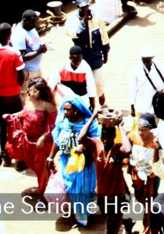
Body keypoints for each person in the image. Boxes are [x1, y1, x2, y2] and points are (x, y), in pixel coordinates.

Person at [48, 95, 99, 228]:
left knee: (81, 188)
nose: (65, 112)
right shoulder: (62, 122)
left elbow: (97, 140)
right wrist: (50, 157)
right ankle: (77, 213)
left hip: (84, 163)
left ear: (76, 110)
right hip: (67, 161)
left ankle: (82, 219)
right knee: (71, 187)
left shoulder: (88, 123)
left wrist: (84, 146)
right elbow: (57, 140)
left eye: (68, 110)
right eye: (64, 109)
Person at [4, 76, 56, 199]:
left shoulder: (47, 105)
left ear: (42, 92)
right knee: (36, 167)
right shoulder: (27, 100)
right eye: (30, 90)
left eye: (35, 91)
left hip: (42, 143)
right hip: (28, 141)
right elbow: (25, 113)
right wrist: (13, 116)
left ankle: (43, 197)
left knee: (41, 170)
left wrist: (43, 138)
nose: (31, 93)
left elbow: (52, 126)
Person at [0, 22, 25, 165]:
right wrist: (17, 87)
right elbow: (21, 75)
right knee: (18, 124)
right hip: (13, 94)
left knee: (2, 124)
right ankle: (20, 159)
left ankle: (5, 156)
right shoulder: (14, 52)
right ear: (10, 35)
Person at [69, 0, 110, 105]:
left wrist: (106, 51)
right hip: (81, 56)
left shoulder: (97, 17)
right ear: (77, 6)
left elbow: (103, 35)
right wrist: (83, 23)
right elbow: (74, 34)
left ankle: (101, 94)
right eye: (82, 7)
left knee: (98, 81)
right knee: (83, 82)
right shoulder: (72, 19)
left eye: (86, 6)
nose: (85, 9)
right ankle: (88, 104)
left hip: (95, 54)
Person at [94, 126, 134, 234]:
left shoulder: (118, 148)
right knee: (109, 219)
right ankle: (126, 222)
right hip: (102, 194)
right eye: (104, 137)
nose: (106, 140)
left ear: (114, 137)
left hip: (116, 196)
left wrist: (120, 127)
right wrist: (93, 116)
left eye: (109, 137)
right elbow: (80, 138)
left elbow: (128, 150)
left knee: (111, 229)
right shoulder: (97, 145)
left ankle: (124, 222)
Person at [130, 113, 160, 232]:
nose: (141, 132)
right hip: (137, 177)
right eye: (139, 130)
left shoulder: (156, 140)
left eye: (144, 130)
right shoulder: (133, 137)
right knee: (140, 197)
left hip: (152, 177)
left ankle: (149, 227)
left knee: (151, 202)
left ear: (151, 129)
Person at [12, 9, 47, 89]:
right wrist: (39, 51)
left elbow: (33, 45)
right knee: (29, 95)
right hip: (28, 72)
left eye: (35, 22)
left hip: (36, 68)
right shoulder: (19, 35)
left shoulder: (30, 27)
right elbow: (21, 58)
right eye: (32, 22)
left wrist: (41, 47)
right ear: (25, 21)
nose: (35, 25)